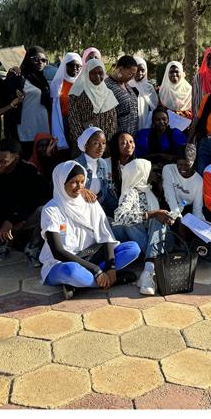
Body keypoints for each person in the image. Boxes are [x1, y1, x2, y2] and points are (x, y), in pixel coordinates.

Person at [39, 161, 140, 299]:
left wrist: (110, 267)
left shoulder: (90, 202)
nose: (79, 187)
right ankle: (110, 281)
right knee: (72, 272)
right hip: (62, 263)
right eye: (73, 182)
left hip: (91, 255)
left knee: (133, 249)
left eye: (82, 182)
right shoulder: (51, 210)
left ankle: (80, 285)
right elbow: (58, 252)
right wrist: (97, 270)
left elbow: (106, 236)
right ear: (61, 182)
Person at [0, 138, 49, 267]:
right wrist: (5, 222)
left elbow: (40, 198)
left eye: (3, 162)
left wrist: (15, 219)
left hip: (21, 220)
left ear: (16, 158)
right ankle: (3, 242)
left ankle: (33, 246)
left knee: (45, 210)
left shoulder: (29, 172)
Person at [113, 158, 174, 295]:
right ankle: (148, 271)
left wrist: (166, 217)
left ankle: (149, 267)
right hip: (149, 244)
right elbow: (120, 217)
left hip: (160, 241)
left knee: (158, 220)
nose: (154, 173)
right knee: (131, 221)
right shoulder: (131, 193)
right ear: (141, 173)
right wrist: (152, 214)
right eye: (151, 170)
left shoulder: (149, 190)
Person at [7, 46, 52, 159]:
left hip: (42, 125)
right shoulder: (19, 77)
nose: (40, 62)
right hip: (26, 127)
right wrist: (10, 77)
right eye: (36, 59)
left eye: (43, 60)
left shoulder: (42, 79)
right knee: (26, 157)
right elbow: (8, 97)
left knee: (42, 159)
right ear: (27, 59)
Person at [67, 57, 118, 156]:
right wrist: (85, 144)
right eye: (93, 73)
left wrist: (106, 143)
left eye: (100, 73)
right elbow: (74, 120)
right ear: (87, 73)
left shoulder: (108, 93)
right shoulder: (77, 92)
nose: (98, 76)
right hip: (83, 147)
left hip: (104, 147)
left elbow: (112, 122)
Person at [75, 127, 118, 218]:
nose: (101, 147)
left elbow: (105, 193)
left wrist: (120, 207)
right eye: (96, 143)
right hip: (78, 211)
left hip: (96, 209)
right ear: (86, 145)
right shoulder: (76, 165)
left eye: (103, 143)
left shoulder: (103, 163)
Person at [162, 145, 206, 220]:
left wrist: (200, 224)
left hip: (187, 211)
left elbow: (197, 210)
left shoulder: (199, 181)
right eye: (179, 164)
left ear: (193, 162)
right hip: (169, 206)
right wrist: (176, 215)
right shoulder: (168, 169)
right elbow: (169, 195)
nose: (183, 168)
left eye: (187, 165)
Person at [50, 52, 83, 151]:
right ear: (64, 66)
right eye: (71, 65)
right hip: (62, 121)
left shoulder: (82, 84)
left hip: (79, 122)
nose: (75, 68)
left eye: (78, 66)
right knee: (65, 150)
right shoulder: (57, 84)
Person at [104, 55, 140, 136]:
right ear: (120, 70)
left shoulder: (127, 85)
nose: (132, 78)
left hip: (132, 137)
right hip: (118, 138)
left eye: (133, 75)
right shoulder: (107, 86)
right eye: (130, 74)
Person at [129, 56, 159, 131]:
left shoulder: (149, 87)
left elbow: (154, 107)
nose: (140, 73)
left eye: (142, 70)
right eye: (137, 70)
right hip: (131, 122)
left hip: (146, 122)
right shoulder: (127, 85)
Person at [108, 131, 137, 197]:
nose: (129, 145)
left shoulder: (137, 165)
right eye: (123, 143)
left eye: (131, 142)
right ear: (116, 146)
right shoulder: (105, 164)